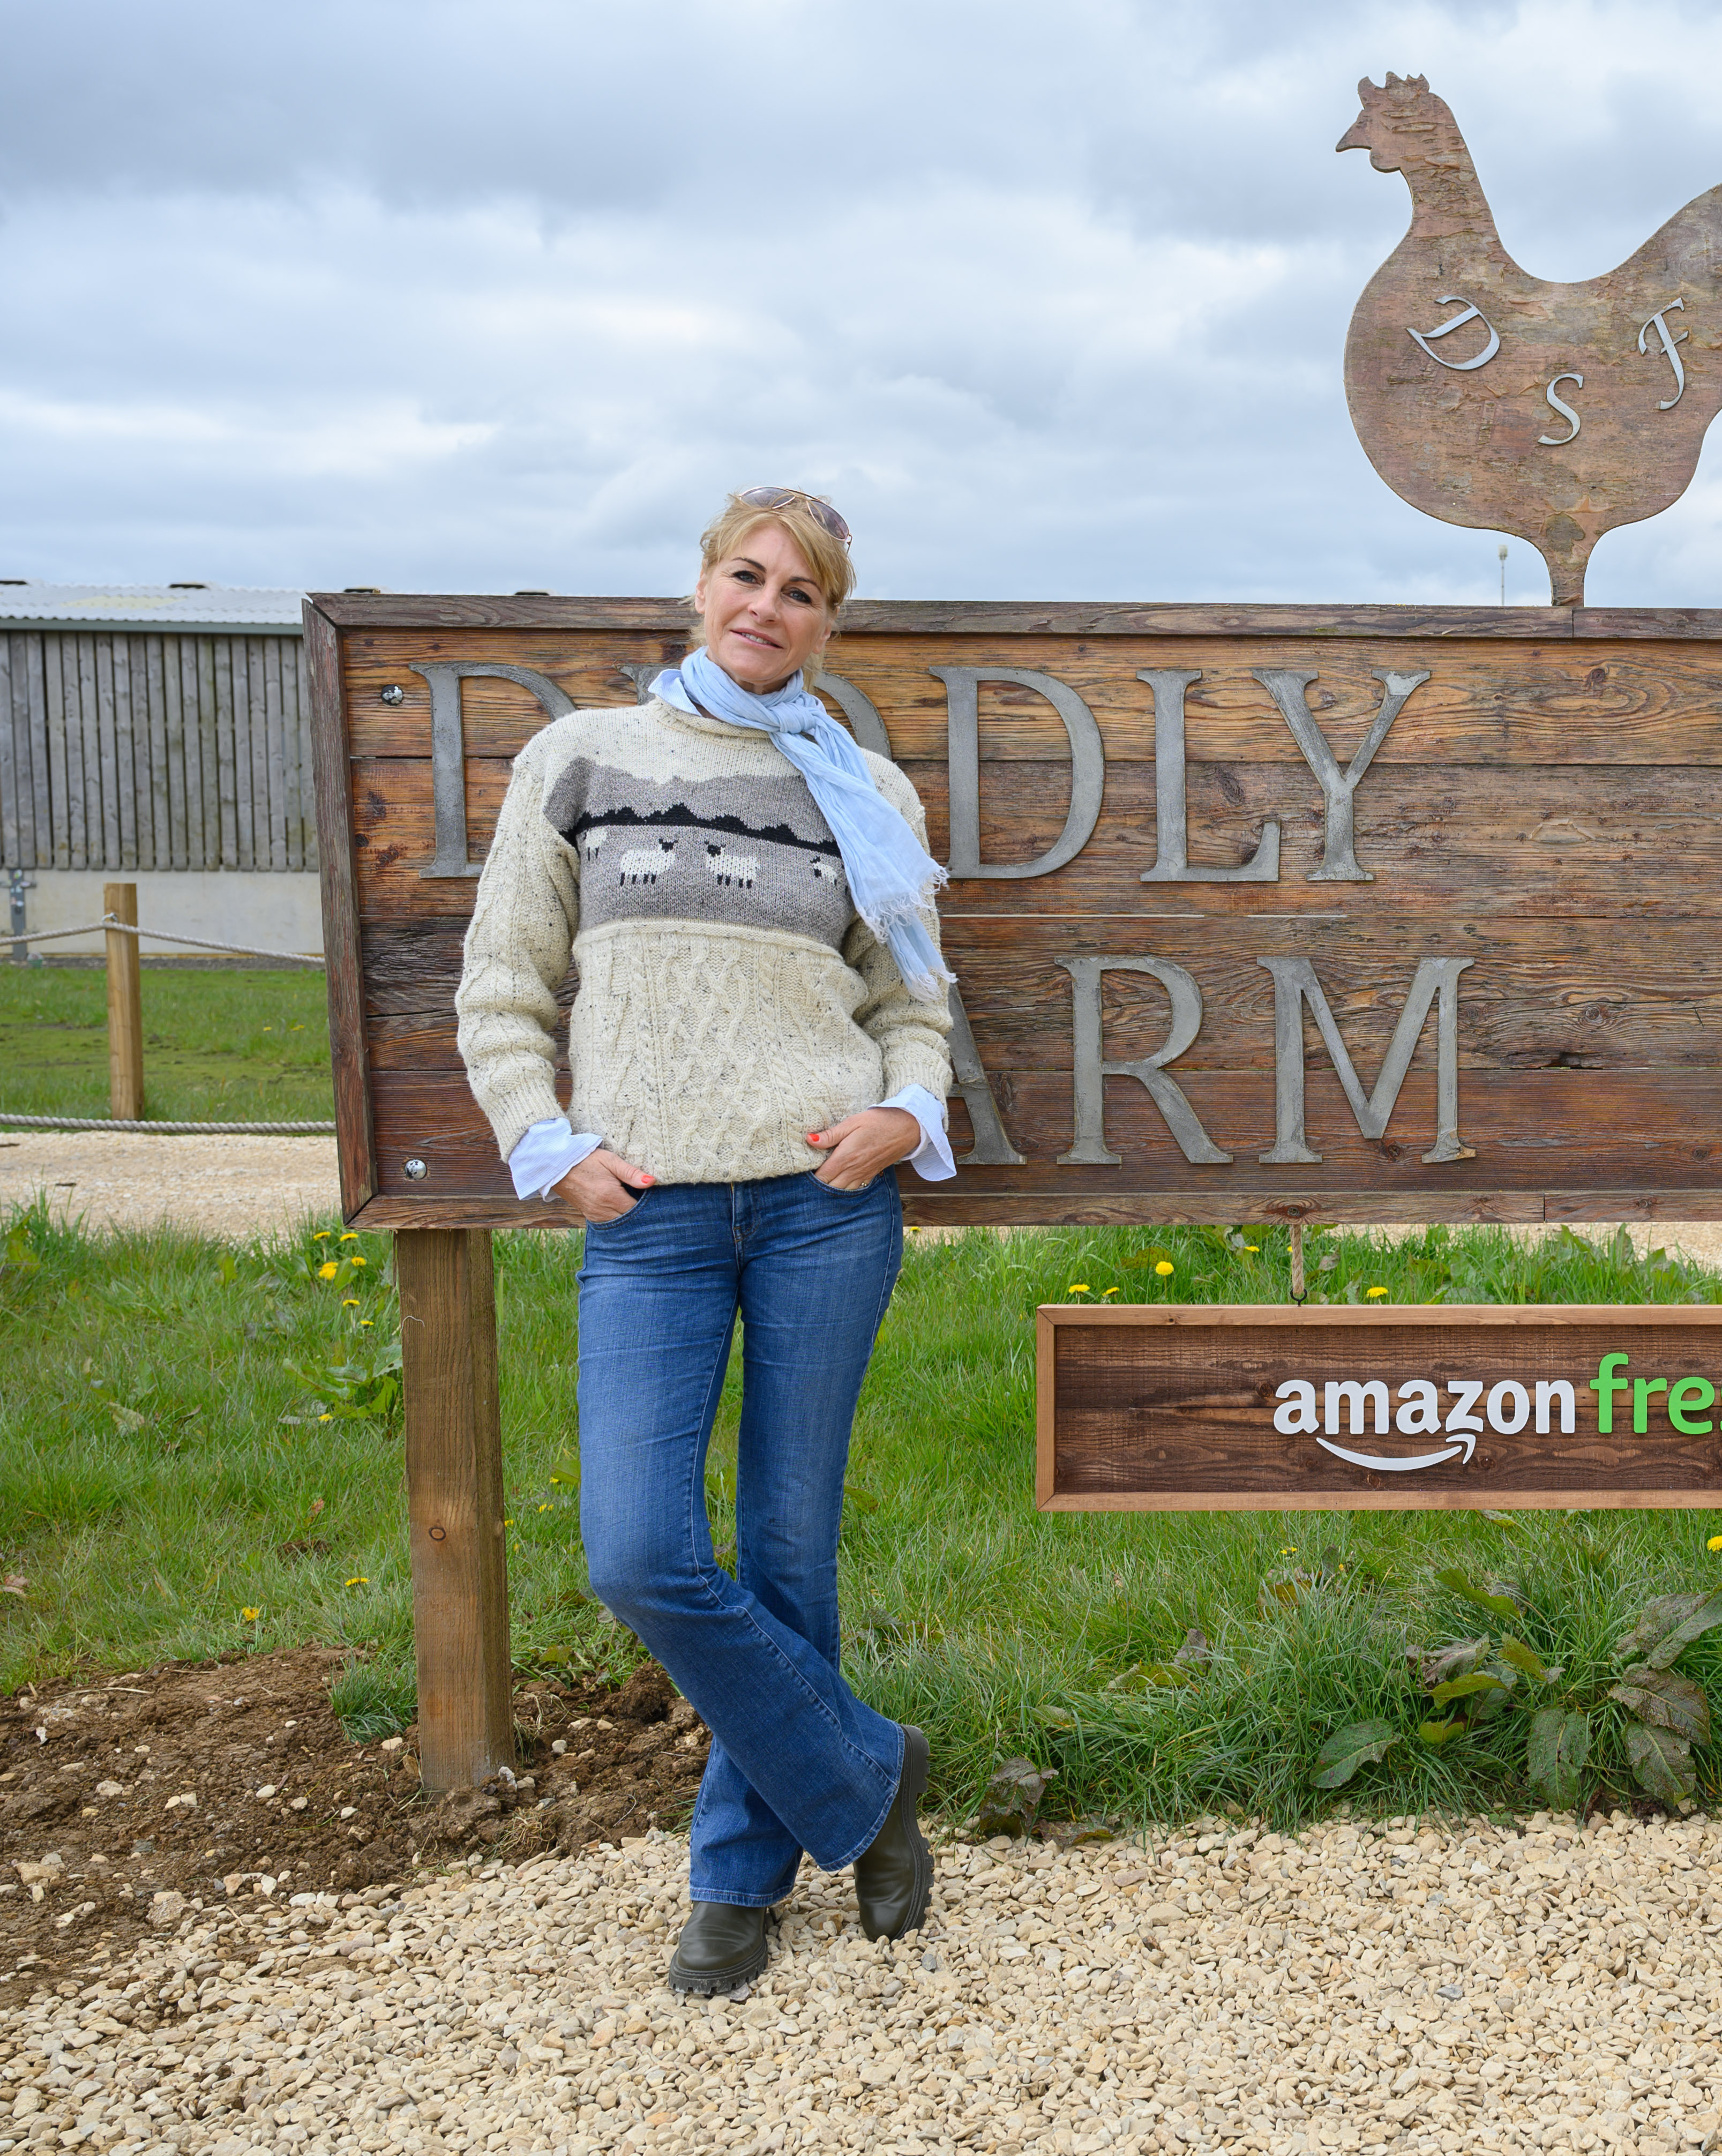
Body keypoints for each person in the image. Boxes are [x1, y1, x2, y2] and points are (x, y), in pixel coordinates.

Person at [454, 488, 960, 1995]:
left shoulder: (864, 788)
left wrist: (904, 1113)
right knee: (640, 1552)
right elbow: (503, 981)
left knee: (790, 1554)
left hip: (823, 1204)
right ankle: (871, 1777)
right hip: (653, 1216)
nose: (768, 606)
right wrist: (547, 1148)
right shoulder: (583, 761)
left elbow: (911, 1001)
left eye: (802, 593)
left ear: (830, 622)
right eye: (747, 575)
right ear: (699, 587)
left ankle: (736, 1883)